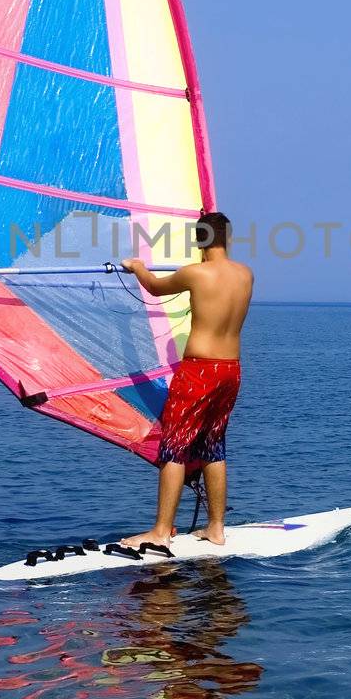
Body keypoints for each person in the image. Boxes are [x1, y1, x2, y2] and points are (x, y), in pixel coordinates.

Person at [119, 212, 253, 550]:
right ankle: (216, 528)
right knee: (213, 446)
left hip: (199, 371)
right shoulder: (245, 275)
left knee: (175, 446)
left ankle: (162, 531)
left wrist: (136, 266)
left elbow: (153, 287)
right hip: (231, 369)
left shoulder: (195, 273)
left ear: (199, 240)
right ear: (228, 238)